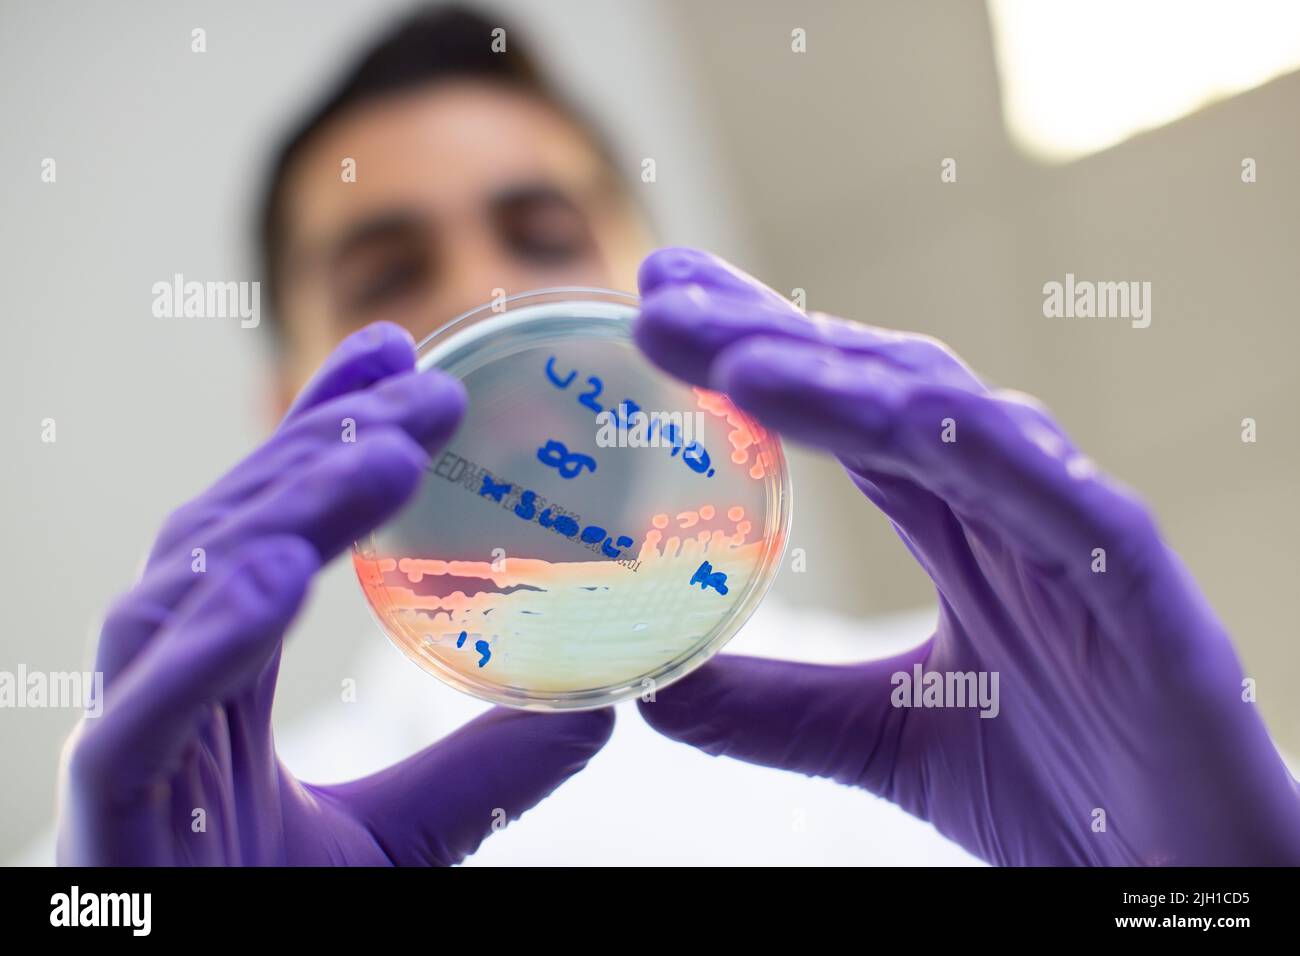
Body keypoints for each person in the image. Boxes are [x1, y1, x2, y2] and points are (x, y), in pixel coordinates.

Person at [57, 5, 1300, 866]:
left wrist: (1196, 891)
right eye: (389, 266)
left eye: (542, 236)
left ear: (656, 294)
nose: (494, 301)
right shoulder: (177, 841)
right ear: (291, 405)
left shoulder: (998, 728)